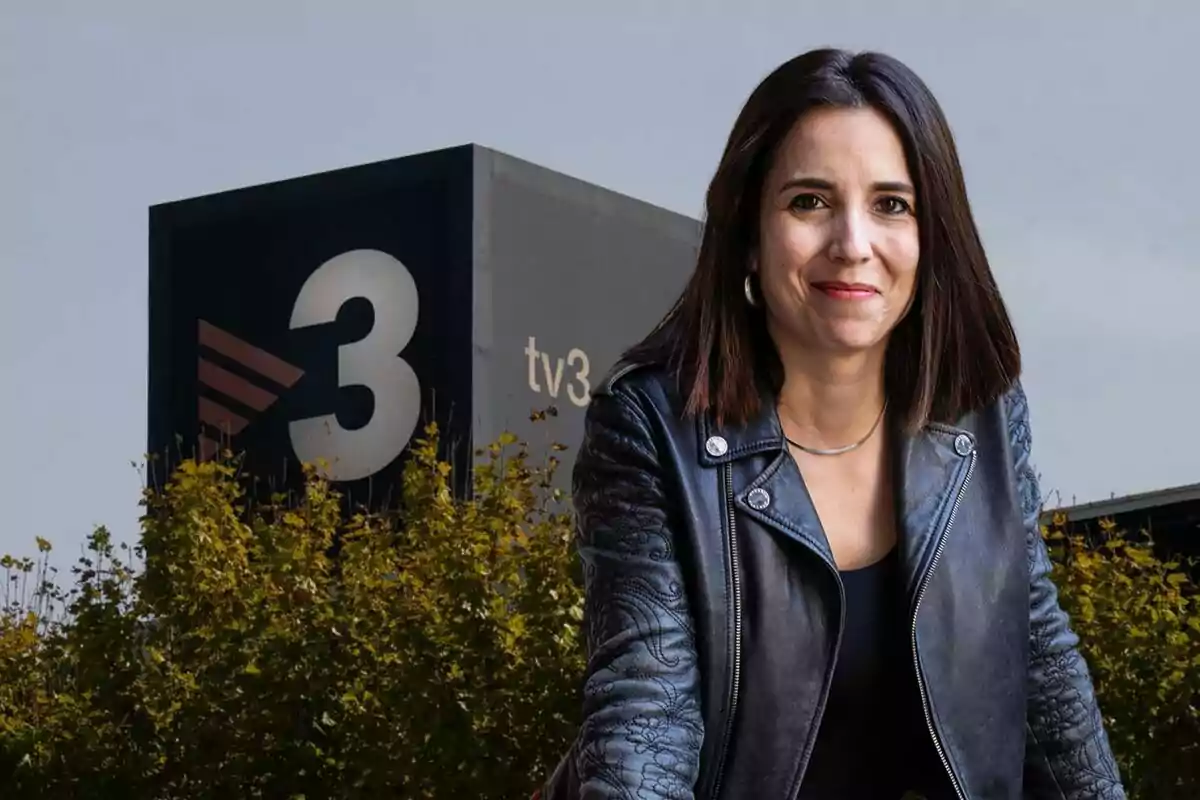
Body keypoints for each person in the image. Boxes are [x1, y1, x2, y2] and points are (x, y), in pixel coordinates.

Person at [539, 48, 1126, 800]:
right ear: (749, 232)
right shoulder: (652, 429)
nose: (854, 244)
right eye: (809, 202)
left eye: (892, 204)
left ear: (930, 236)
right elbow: (643, 731)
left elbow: (1047, 684)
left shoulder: (983, 411)